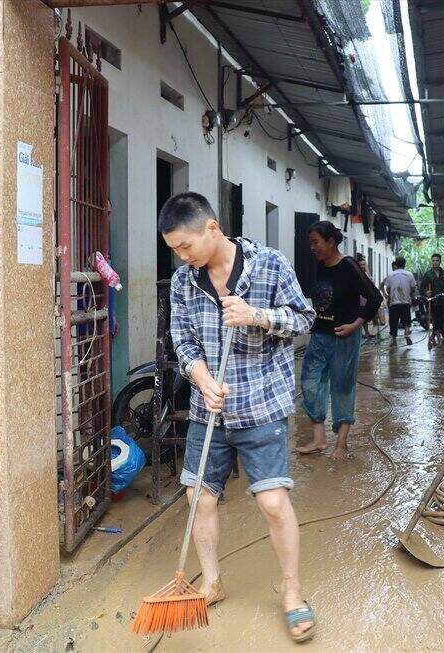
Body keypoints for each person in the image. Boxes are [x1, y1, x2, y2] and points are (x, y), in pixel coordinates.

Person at [161, 192, 318, 642]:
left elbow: (305, 319)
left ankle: (291, 591)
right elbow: (184, 340)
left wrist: (256, 315)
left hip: (261, 404)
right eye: (174, 249)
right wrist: (201, 378)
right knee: (199, 497)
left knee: (272, 502)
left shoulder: (268, 265)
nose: (181, 256)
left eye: (185, 246)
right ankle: (211, 582)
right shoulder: (182, 281)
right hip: (208, 407)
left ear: (211, 228)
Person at [296, 221, 382, 459]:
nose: (312, 248)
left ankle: (341, 444)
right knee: (310, 384)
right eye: (310, 243)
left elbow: (374, 297)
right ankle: (319, 439)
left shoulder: (349, 266)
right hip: (319, 335)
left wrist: (356, 324)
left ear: (331, 241)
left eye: (316, 242)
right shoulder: (317, 266)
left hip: (344, 337)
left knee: (342, 387)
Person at [420, 253, 444, 348]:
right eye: (433, 260)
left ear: (440, 261)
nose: (435, 262)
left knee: (441, 320)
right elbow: (422, 288)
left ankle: (433, 337)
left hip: (443, 301)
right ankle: (437, 338)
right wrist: (427, 292)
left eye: (437, 260)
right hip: (432, 301)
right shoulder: (428, 274)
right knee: (435, 320)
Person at [381, 256, 416, 340]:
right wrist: (410, 295)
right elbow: (413, 288)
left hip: (394, 303)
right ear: (404, 264)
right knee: (406, 321)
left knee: (394, 321)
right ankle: (407, 332)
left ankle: (394, 337)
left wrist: (388, 295)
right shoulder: (409, 274)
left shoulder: (391, 275)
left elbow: (388, 288)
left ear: (396, 264)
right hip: (405, 302)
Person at [355, 252, 380, 338]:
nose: (362, 266)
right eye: (361, 264)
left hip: (368, 298)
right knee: (361, 315)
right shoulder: (357, 274)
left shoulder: (366, 274)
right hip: (361, 298)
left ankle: (367, 331)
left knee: (366, 315)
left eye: (364, 264)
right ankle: (363, 332)